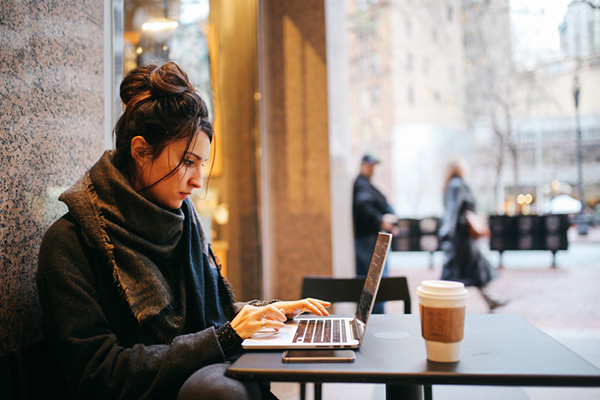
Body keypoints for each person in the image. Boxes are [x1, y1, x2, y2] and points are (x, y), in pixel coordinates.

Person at [36, 62, 330, 400]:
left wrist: (267, 312)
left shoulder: (181, 222)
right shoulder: (71, 243)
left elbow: (210, 320)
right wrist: (226, 338)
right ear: (141, 152)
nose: (197, 180)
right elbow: (98, 373)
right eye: (187, 162)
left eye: (201, 164)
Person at [438, 158, 507, 312]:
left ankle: (490, 299)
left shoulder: (454, 185)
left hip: (461, 237)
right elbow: (452, 210)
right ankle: (441, 305)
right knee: (456, 273)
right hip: (459, 238)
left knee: (469, 270)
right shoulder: (457, 185)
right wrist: (446, 233)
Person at [352, 154, 398, 314]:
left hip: (371, 240)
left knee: (375, 285)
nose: (372, 168)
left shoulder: (367, 184)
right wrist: (381, 220)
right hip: (369, 241)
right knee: (375, 285)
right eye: (370, 165)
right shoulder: (362, 185)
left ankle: (374, 318)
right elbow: (362, 206)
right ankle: (375, 319)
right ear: (363, 165)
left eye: (374, 165)